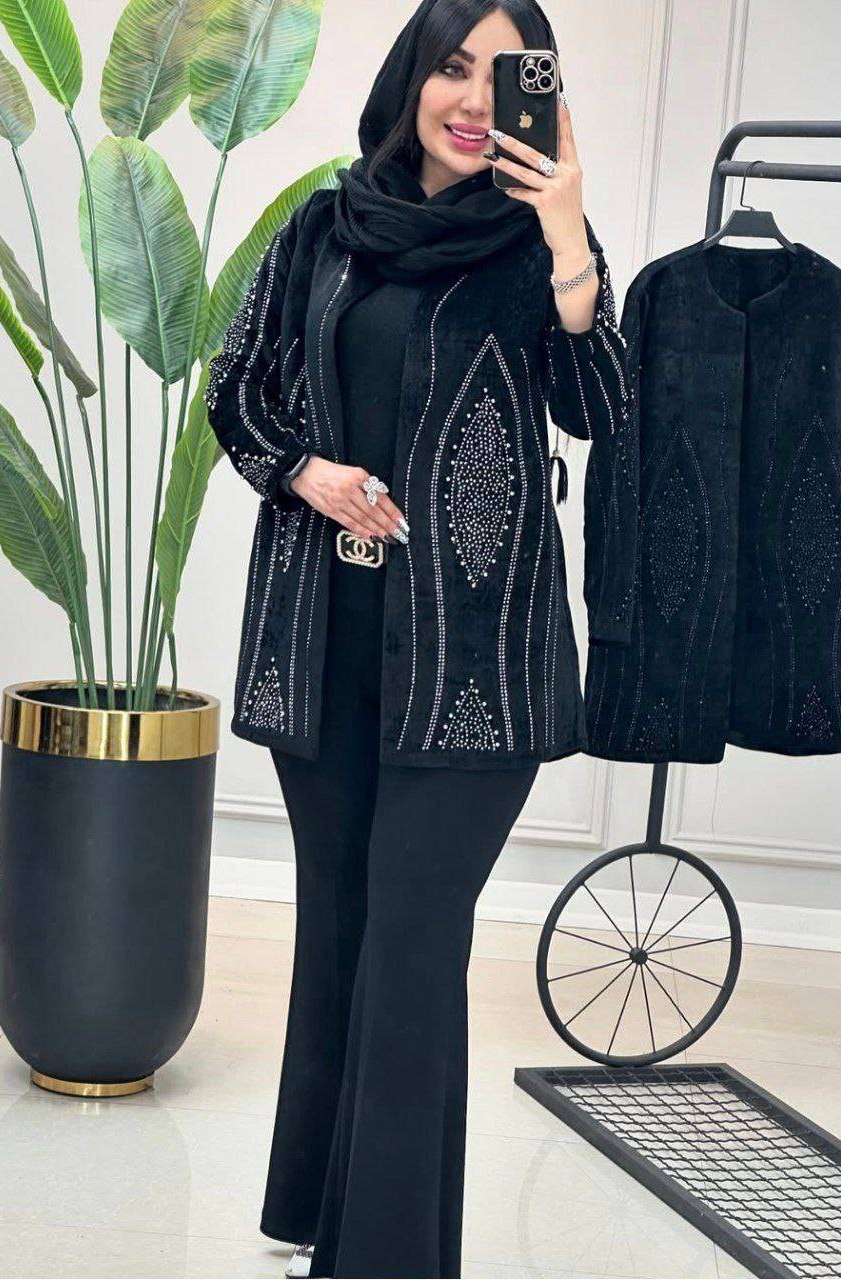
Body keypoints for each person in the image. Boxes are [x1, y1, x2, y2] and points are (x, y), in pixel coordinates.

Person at [203, 1, 636, 1275]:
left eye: (507, 79)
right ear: (411, 77)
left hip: (474, 666)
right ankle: (310, 1214)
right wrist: (305, 472)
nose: (473, 101)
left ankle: (384, 1256)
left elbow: (604, 406)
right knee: (341, 923)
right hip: (321, 636)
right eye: (453, 68)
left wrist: (566, 235)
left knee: (410, 941)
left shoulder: (540, 245)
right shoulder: (322, 228)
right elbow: (237, 386)